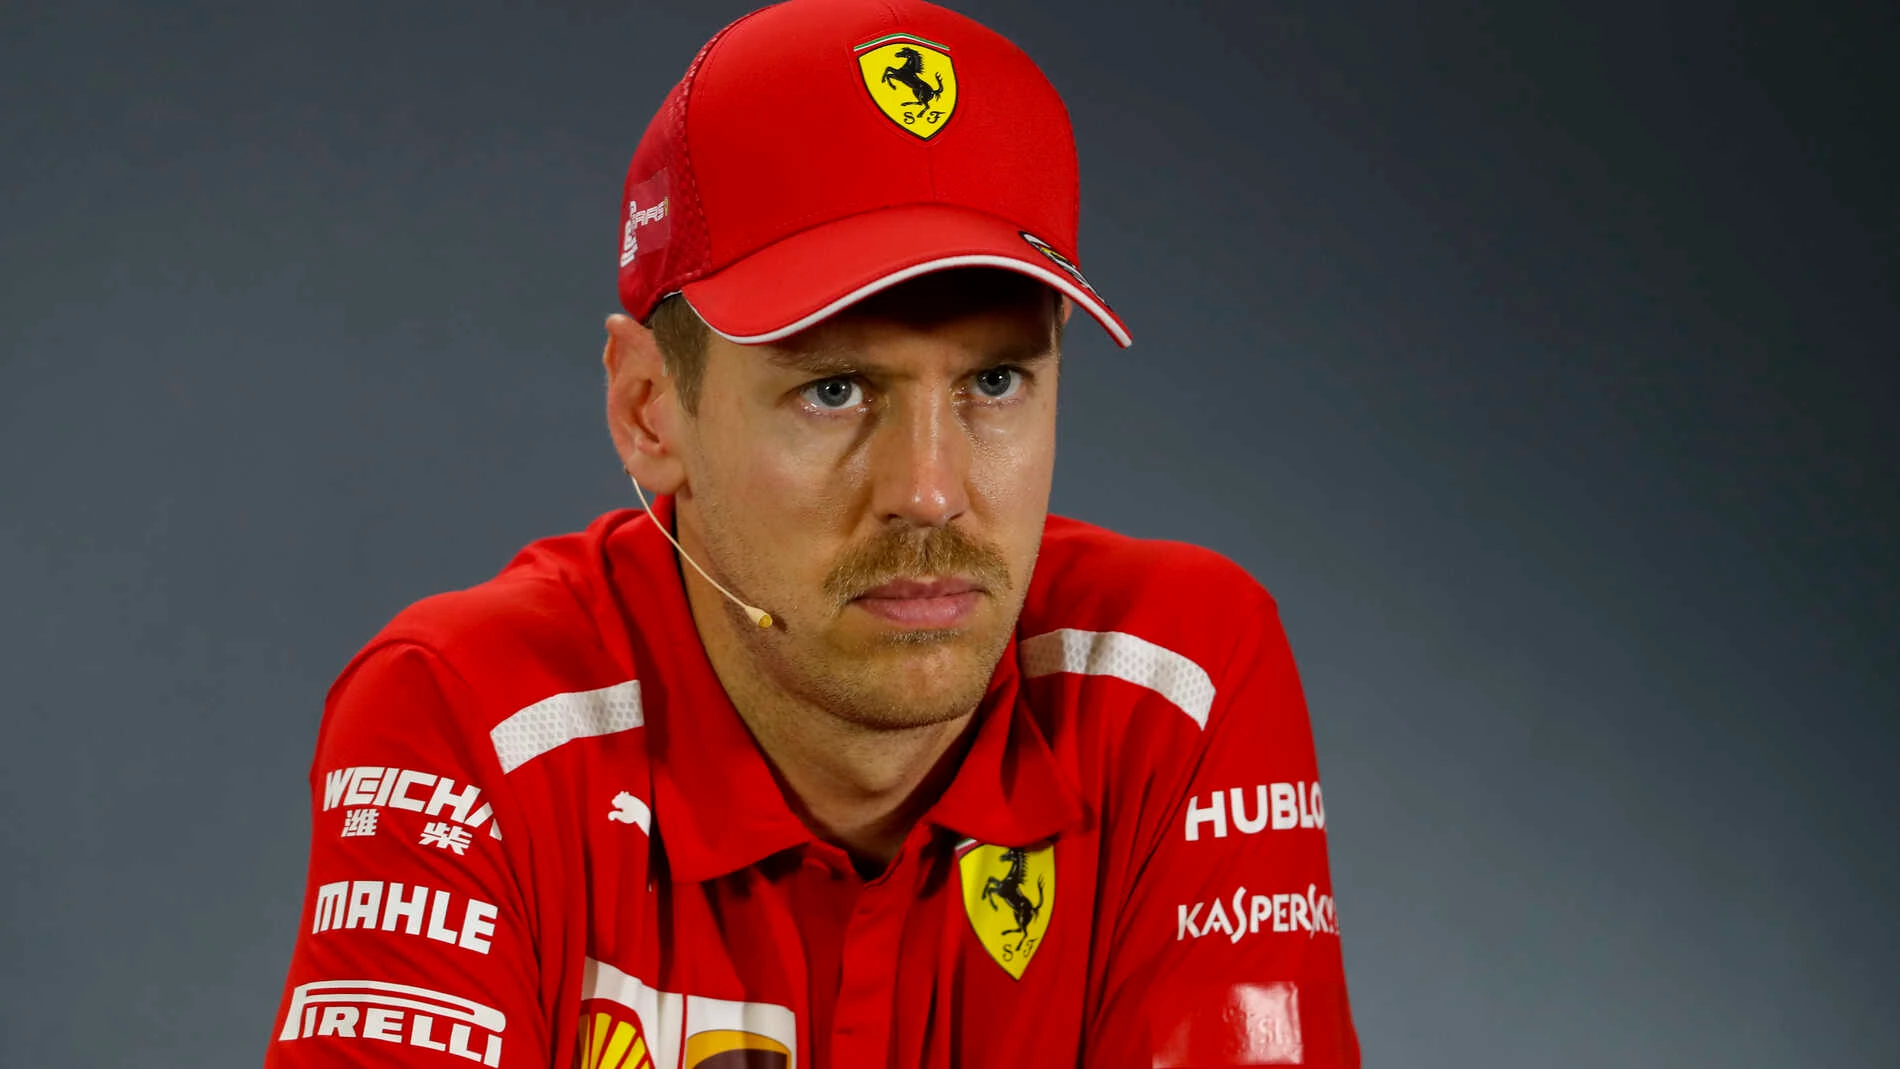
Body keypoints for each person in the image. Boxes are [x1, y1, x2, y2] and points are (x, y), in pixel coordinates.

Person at [264, 0, 1360, 1065]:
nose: (928, 491)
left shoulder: (1173, 678)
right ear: (649, 411)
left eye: (994, 379)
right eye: (834, 389)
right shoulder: (466, 716)